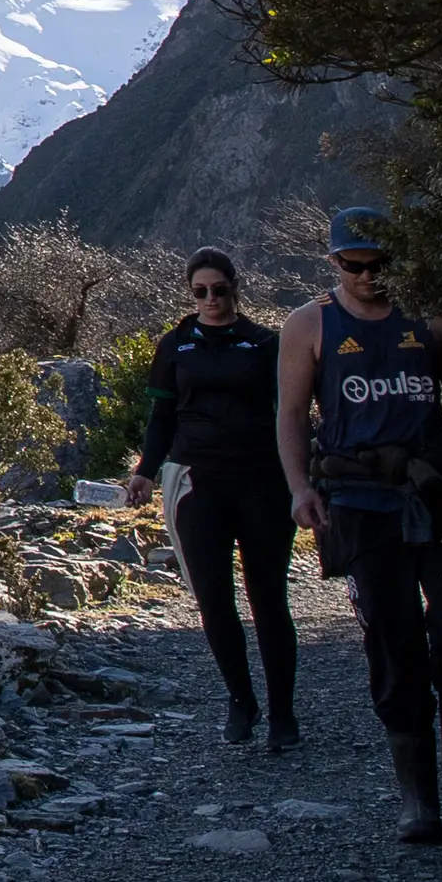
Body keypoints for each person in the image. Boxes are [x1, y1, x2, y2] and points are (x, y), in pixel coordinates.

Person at [278, 207, 442, 843]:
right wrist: (300, 489)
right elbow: (290, 413)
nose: (369, 276)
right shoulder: (310, 324)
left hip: (437, 491)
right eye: (356, 265)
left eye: (381, 264)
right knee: (392, 638)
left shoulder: (433, 320)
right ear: (334, 262)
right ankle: (417, 792)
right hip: (359, 500)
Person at [123, 248, 297, 750]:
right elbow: (162, 417)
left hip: (263, 480)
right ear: (191, 293)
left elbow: (290, 414)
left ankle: (283, 713)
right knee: (214, 600)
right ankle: (241, 700)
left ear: (234, 287)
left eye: (218, 290)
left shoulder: (266, 343)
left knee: (269, 599)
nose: (211, 299)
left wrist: (303, 477)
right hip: (197, 482)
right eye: (200, 291)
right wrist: (145, 472)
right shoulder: (174, 345)